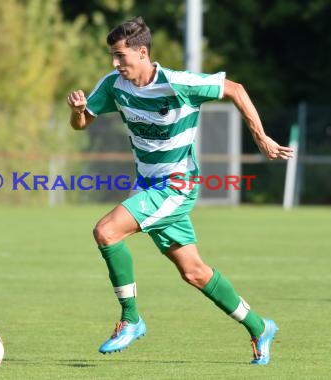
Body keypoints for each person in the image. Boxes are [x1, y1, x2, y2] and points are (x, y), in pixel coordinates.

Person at [66, 16, 293, 365]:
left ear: (142, 53)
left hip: (177, 185)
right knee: (195, 272)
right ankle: (260, 327)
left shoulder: (178, 83)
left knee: (106, 231)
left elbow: (236, 90)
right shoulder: (113, 85)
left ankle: (131, 319)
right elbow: (82, 125)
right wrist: (79, 112)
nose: (114, 63)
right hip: (147, 185)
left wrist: (261, 137)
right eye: (112, 56)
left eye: (120, 56)